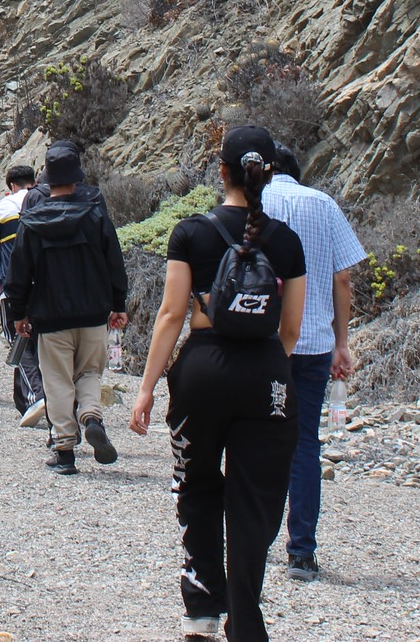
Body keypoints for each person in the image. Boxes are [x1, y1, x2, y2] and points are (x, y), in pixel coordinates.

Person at [129, 126, 308, 642]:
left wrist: (146, 390)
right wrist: (266, 363)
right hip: (266, 374)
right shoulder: (287, 241)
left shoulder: (192, 232)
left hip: (202, 372)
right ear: (269, 173)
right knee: (255, 501)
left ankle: (202, 611)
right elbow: (291, 330)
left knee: (198, 487)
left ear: (221, 169)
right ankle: (247, 622)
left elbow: (170, 315)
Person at [261, 143, 365, 583]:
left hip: (262, 342)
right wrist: (343, 341)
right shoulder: (323, 204)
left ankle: (254, 539)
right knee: (304, 443)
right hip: (315, 342)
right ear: (298, 172)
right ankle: (302, 552)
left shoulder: (255, 200)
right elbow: (343, 276)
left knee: (258, 439)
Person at [2, 159, 130, 474]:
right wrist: (118, 304)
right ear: (77, 179)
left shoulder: (32, 222)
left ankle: (64, 449)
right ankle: (91, 416)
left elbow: (18, 274)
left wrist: (19, 313)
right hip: (93, 312)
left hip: (50, 315)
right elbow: (114, 262)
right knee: (88, 373)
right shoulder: (96, 215)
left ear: (46, 181)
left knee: (57, 379)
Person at [0, 163, 43, 420]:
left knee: (19, 339)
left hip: (14, 286)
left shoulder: (7, 206)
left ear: (12, 186)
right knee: (43, 343)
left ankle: (37, 395)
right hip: (48, 286)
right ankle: (24, 399)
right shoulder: (46, 199)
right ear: (33, 181)